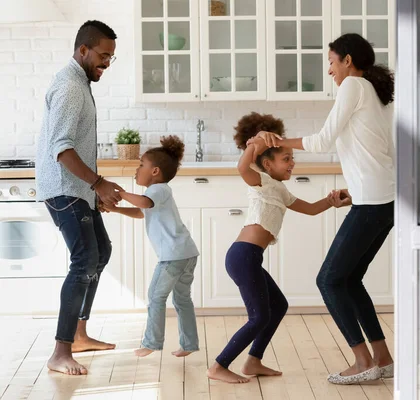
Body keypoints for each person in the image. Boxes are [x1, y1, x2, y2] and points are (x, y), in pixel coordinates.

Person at [249, 33, 395, 384]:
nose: (329, 70)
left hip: (373, 202)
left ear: (347, 60)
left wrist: (276, 140)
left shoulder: (354, 86)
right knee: (349, 278)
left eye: (331, 61)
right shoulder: (372, 93)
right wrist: (358, 188)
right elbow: (376, 149)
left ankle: (362, 362)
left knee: (328, 280)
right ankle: (382, 357)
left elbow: (321, 141)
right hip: (381, 199)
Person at [206, 112, 349, 384]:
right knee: (258, 316)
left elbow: (309, 209)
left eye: (292, 158)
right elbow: (242, 168)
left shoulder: (280, 190)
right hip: (242, 256)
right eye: (286, 159)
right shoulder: (260, 180)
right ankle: (218, 365)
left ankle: (253, 361)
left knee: (278, 305)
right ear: (267, 165)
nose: (292, 163)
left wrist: (332, 201)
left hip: (250, 257)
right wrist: (255, 143)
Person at [36, 20, 121, 376]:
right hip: (63, 187)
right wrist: (98, 183)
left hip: (75, 188)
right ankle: (60, 351)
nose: (106, 63)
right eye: (102, 56)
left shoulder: (80, 82)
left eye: (111, 58)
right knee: (85, 259)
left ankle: (79, 334)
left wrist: (93, 189)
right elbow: (62, 149)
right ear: (83, 49)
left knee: (100, 252)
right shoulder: (71, 87)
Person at [101, 136, 200, 358]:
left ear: (154, 171)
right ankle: (189, 344)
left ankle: (152, 343)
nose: (137, 170)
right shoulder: (158, 193)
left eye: (141, 165)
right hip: (187, 253)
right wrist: (117, 209)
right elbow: (141, 211)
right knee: (182, 299)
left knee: (156, 297)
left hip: (173, 257)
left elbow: (144, 203)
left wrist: (121, 194)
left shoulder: (158, 190)